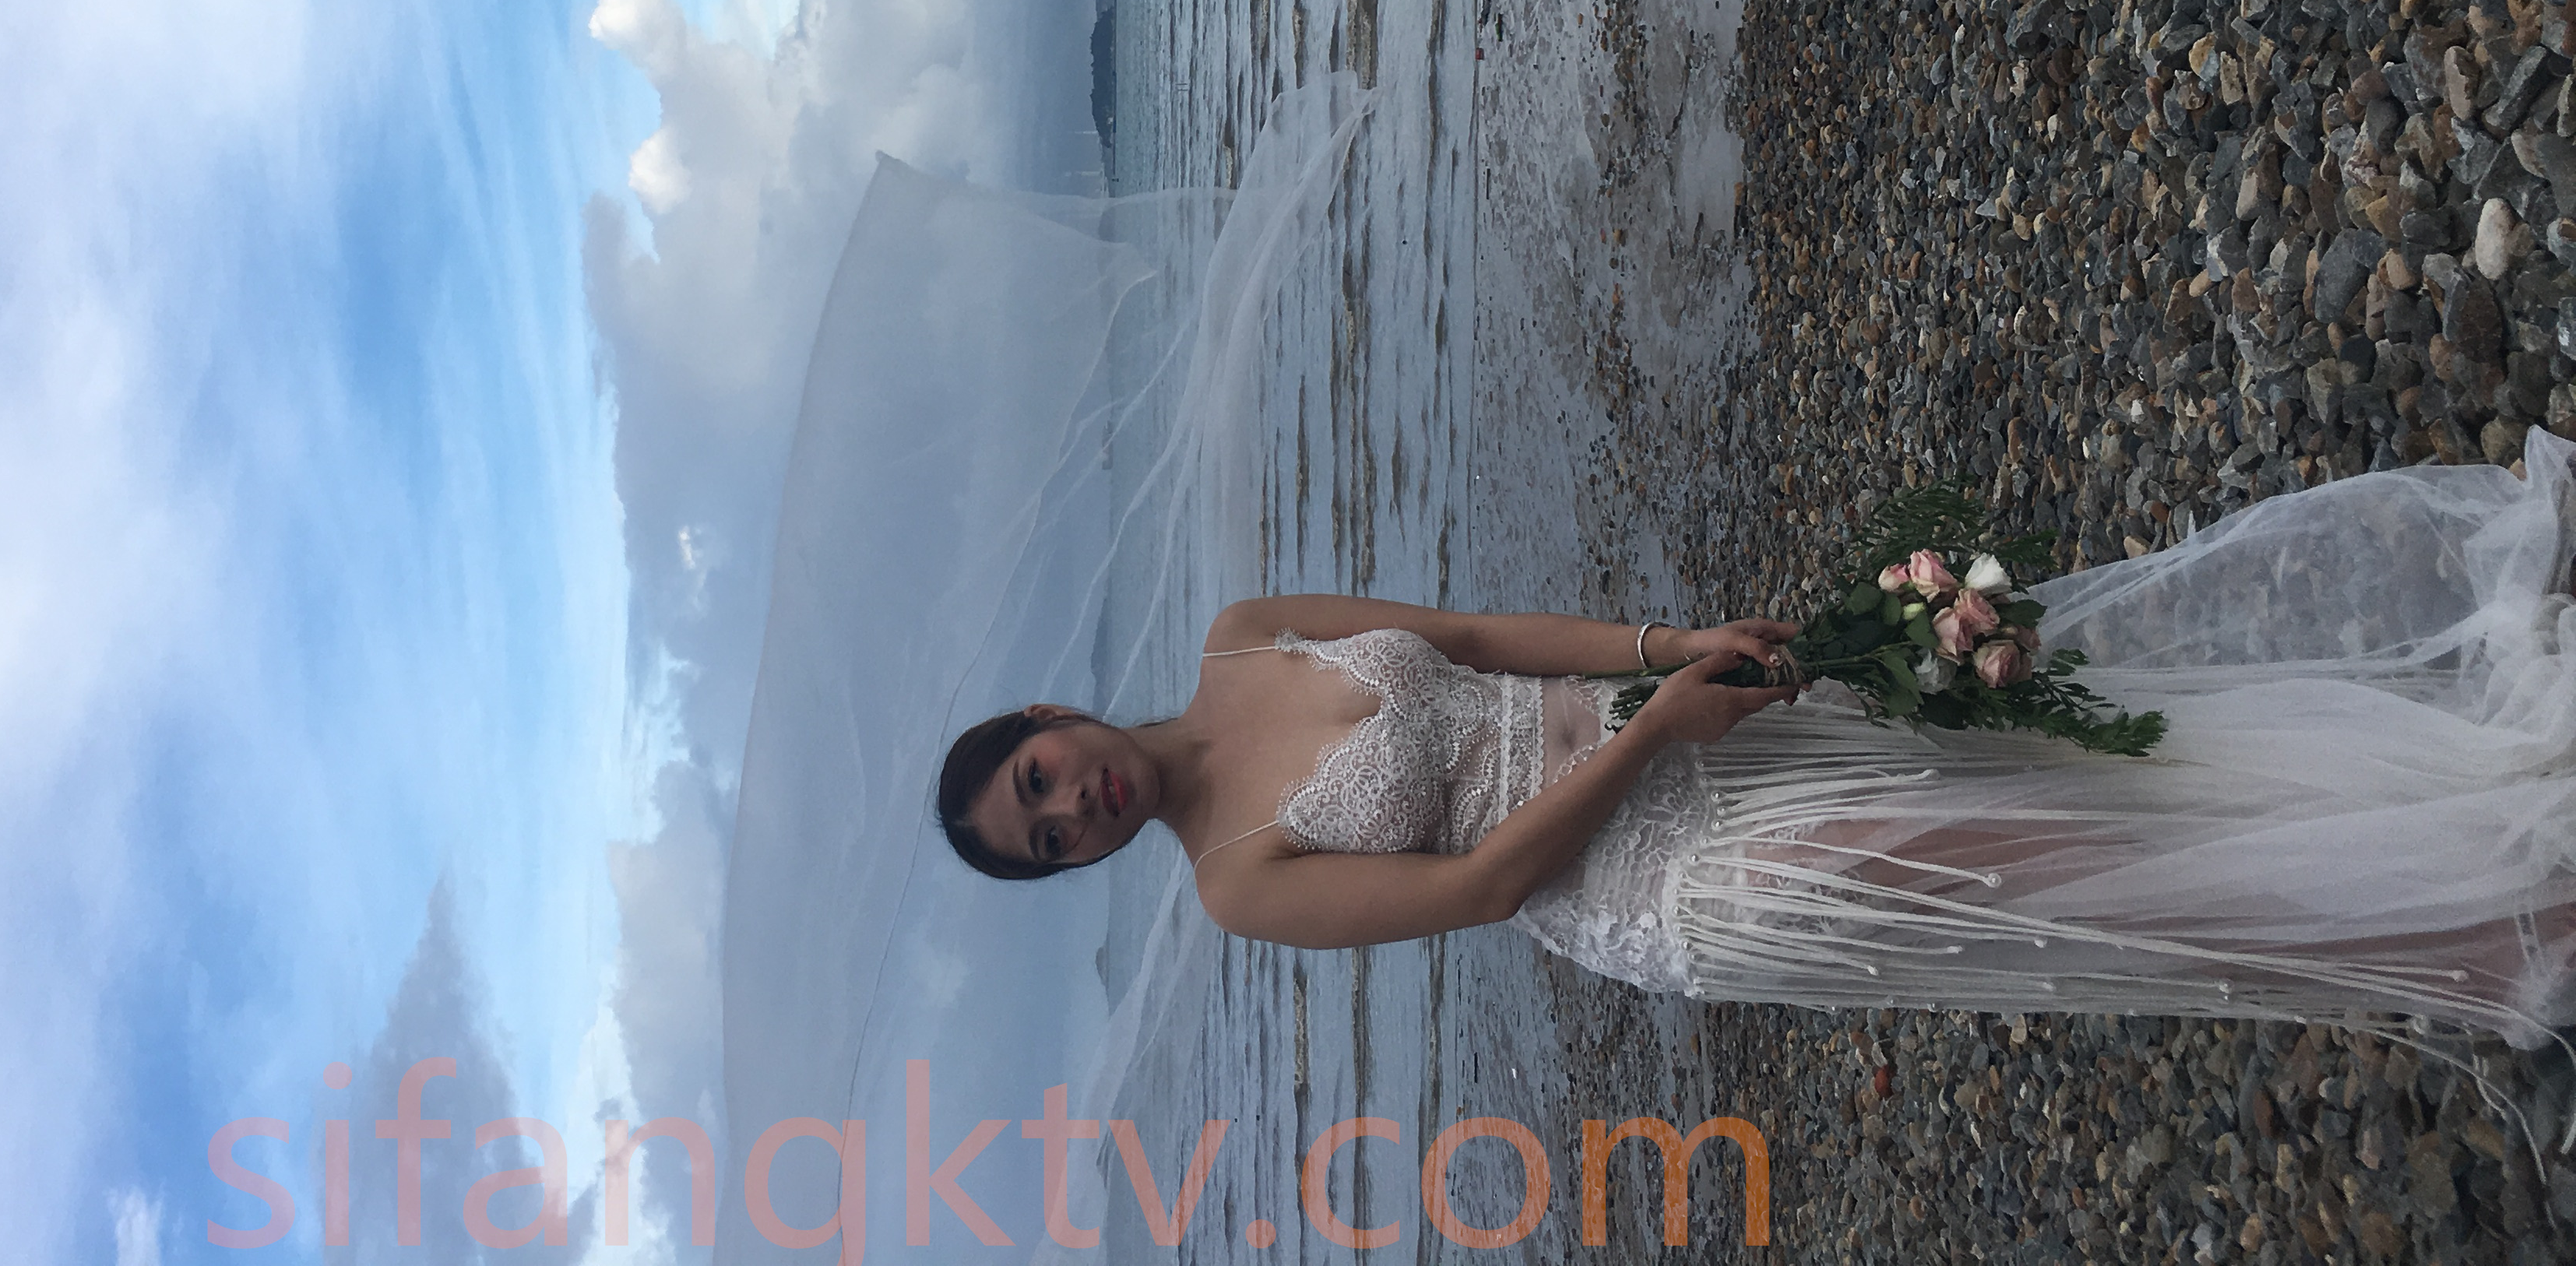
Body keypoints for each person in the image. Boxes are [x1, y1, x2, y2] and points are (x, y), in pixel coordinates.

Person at [936, 456, 2576, 1045]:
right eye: (1053, 842)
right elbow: (1487, 886)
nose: (1077, 806)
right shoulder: (1235, 883)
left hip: (1697, 733)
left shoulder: (1246, 632)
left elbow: (1478, 637)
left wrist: (1668, 651)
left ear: (1040, 718)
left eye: (1038, 782)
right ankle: (2477, 939)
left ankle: (2432, 810)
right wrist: (1658, 734)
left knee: (2052, 775)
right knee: (2050, 879)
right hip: (1666, 872)